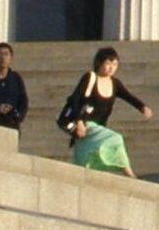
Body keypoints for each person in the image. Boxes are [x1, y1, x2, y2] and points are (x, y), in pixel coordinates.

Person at [59, 46, 152, 177]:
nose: (111, 67)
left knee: (84, 159)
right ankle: (130, 175)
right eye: (108, 63)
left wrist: (142, 107)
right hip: (85, 125)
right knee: (116, 138)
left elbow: (128, 96)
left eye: (115, 64)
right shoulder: (90, 78)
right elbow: (74, 99)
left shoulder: (115, 83)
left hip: (98, 127)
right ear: (99, 63)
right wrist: (79, 121)